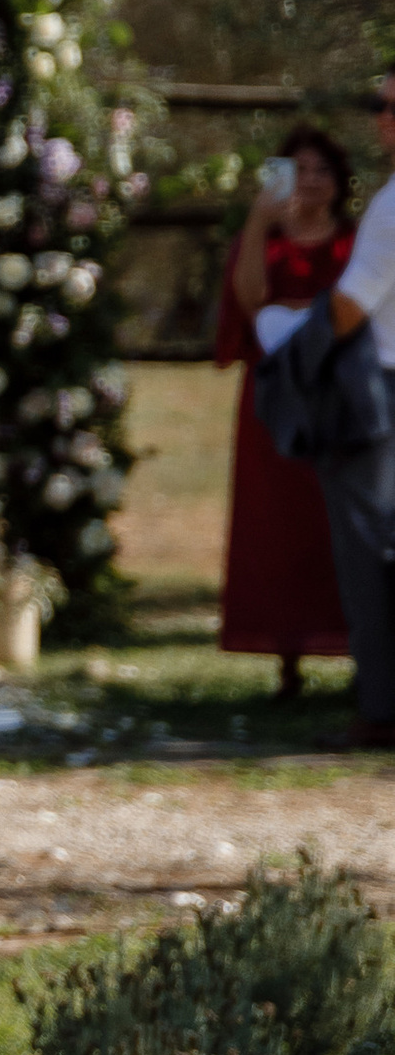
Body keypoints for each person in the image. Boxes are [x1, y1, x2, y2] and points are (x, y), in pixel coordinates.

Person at [216, 124, 353, 697]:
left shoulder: (357, 242)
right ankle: (286, 656)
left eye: (323, 170)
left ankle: (361, 651)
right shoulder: (265, 242)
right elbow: (249, 299)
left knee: (342, 518)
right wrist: (257, 223)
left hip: (339, 390)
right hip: (275, 395)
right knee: (275, 524)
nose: (312, 181)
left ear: (340, 180)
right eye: (301, 170)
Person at [320, 69, 395, 745]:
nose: (382, 117)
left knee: (368, 548)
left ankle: (380, 706)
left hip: (381, 389)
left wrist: (301, 346)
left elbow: (350, 306)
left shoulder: (392, 206)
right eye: (378, 104)